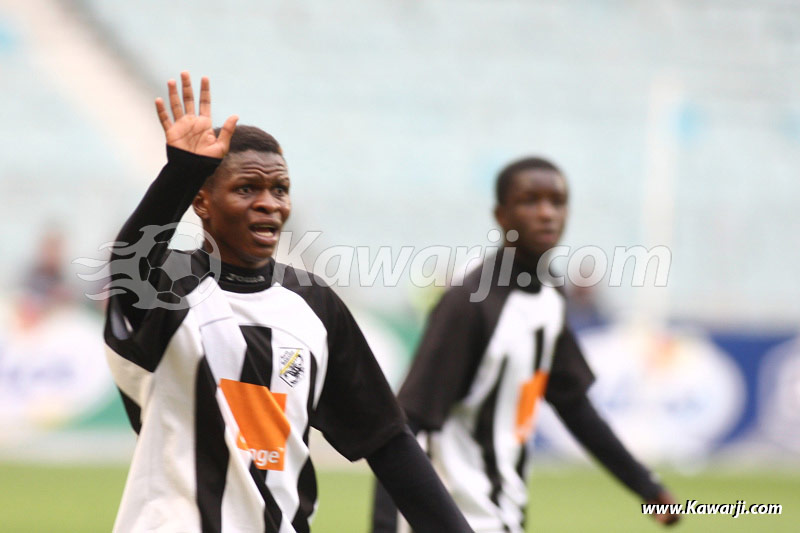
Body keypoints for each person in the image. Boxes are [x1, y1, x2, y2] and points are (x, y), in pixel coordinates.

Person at [104, 72, 472, 533]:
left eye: (280, 189)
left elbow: (387, 441)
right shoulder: (171, 284)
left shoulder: (314, 305)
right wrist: (180, 171)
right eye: (246, 189)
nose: (269, 203)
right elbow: (129, 265)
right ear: (202, 201)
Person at [371, 157, 680, 532]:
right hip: (449, 517)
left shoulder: (551, 296)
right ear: (501, 215)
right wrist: (385, 526)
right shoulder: (471, 303)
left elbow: (574, 405)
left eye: (557, 201)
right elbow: (403, 425)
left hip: (506, 515)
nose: (546, 213)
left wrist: (647, 487)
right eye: (530, 201)